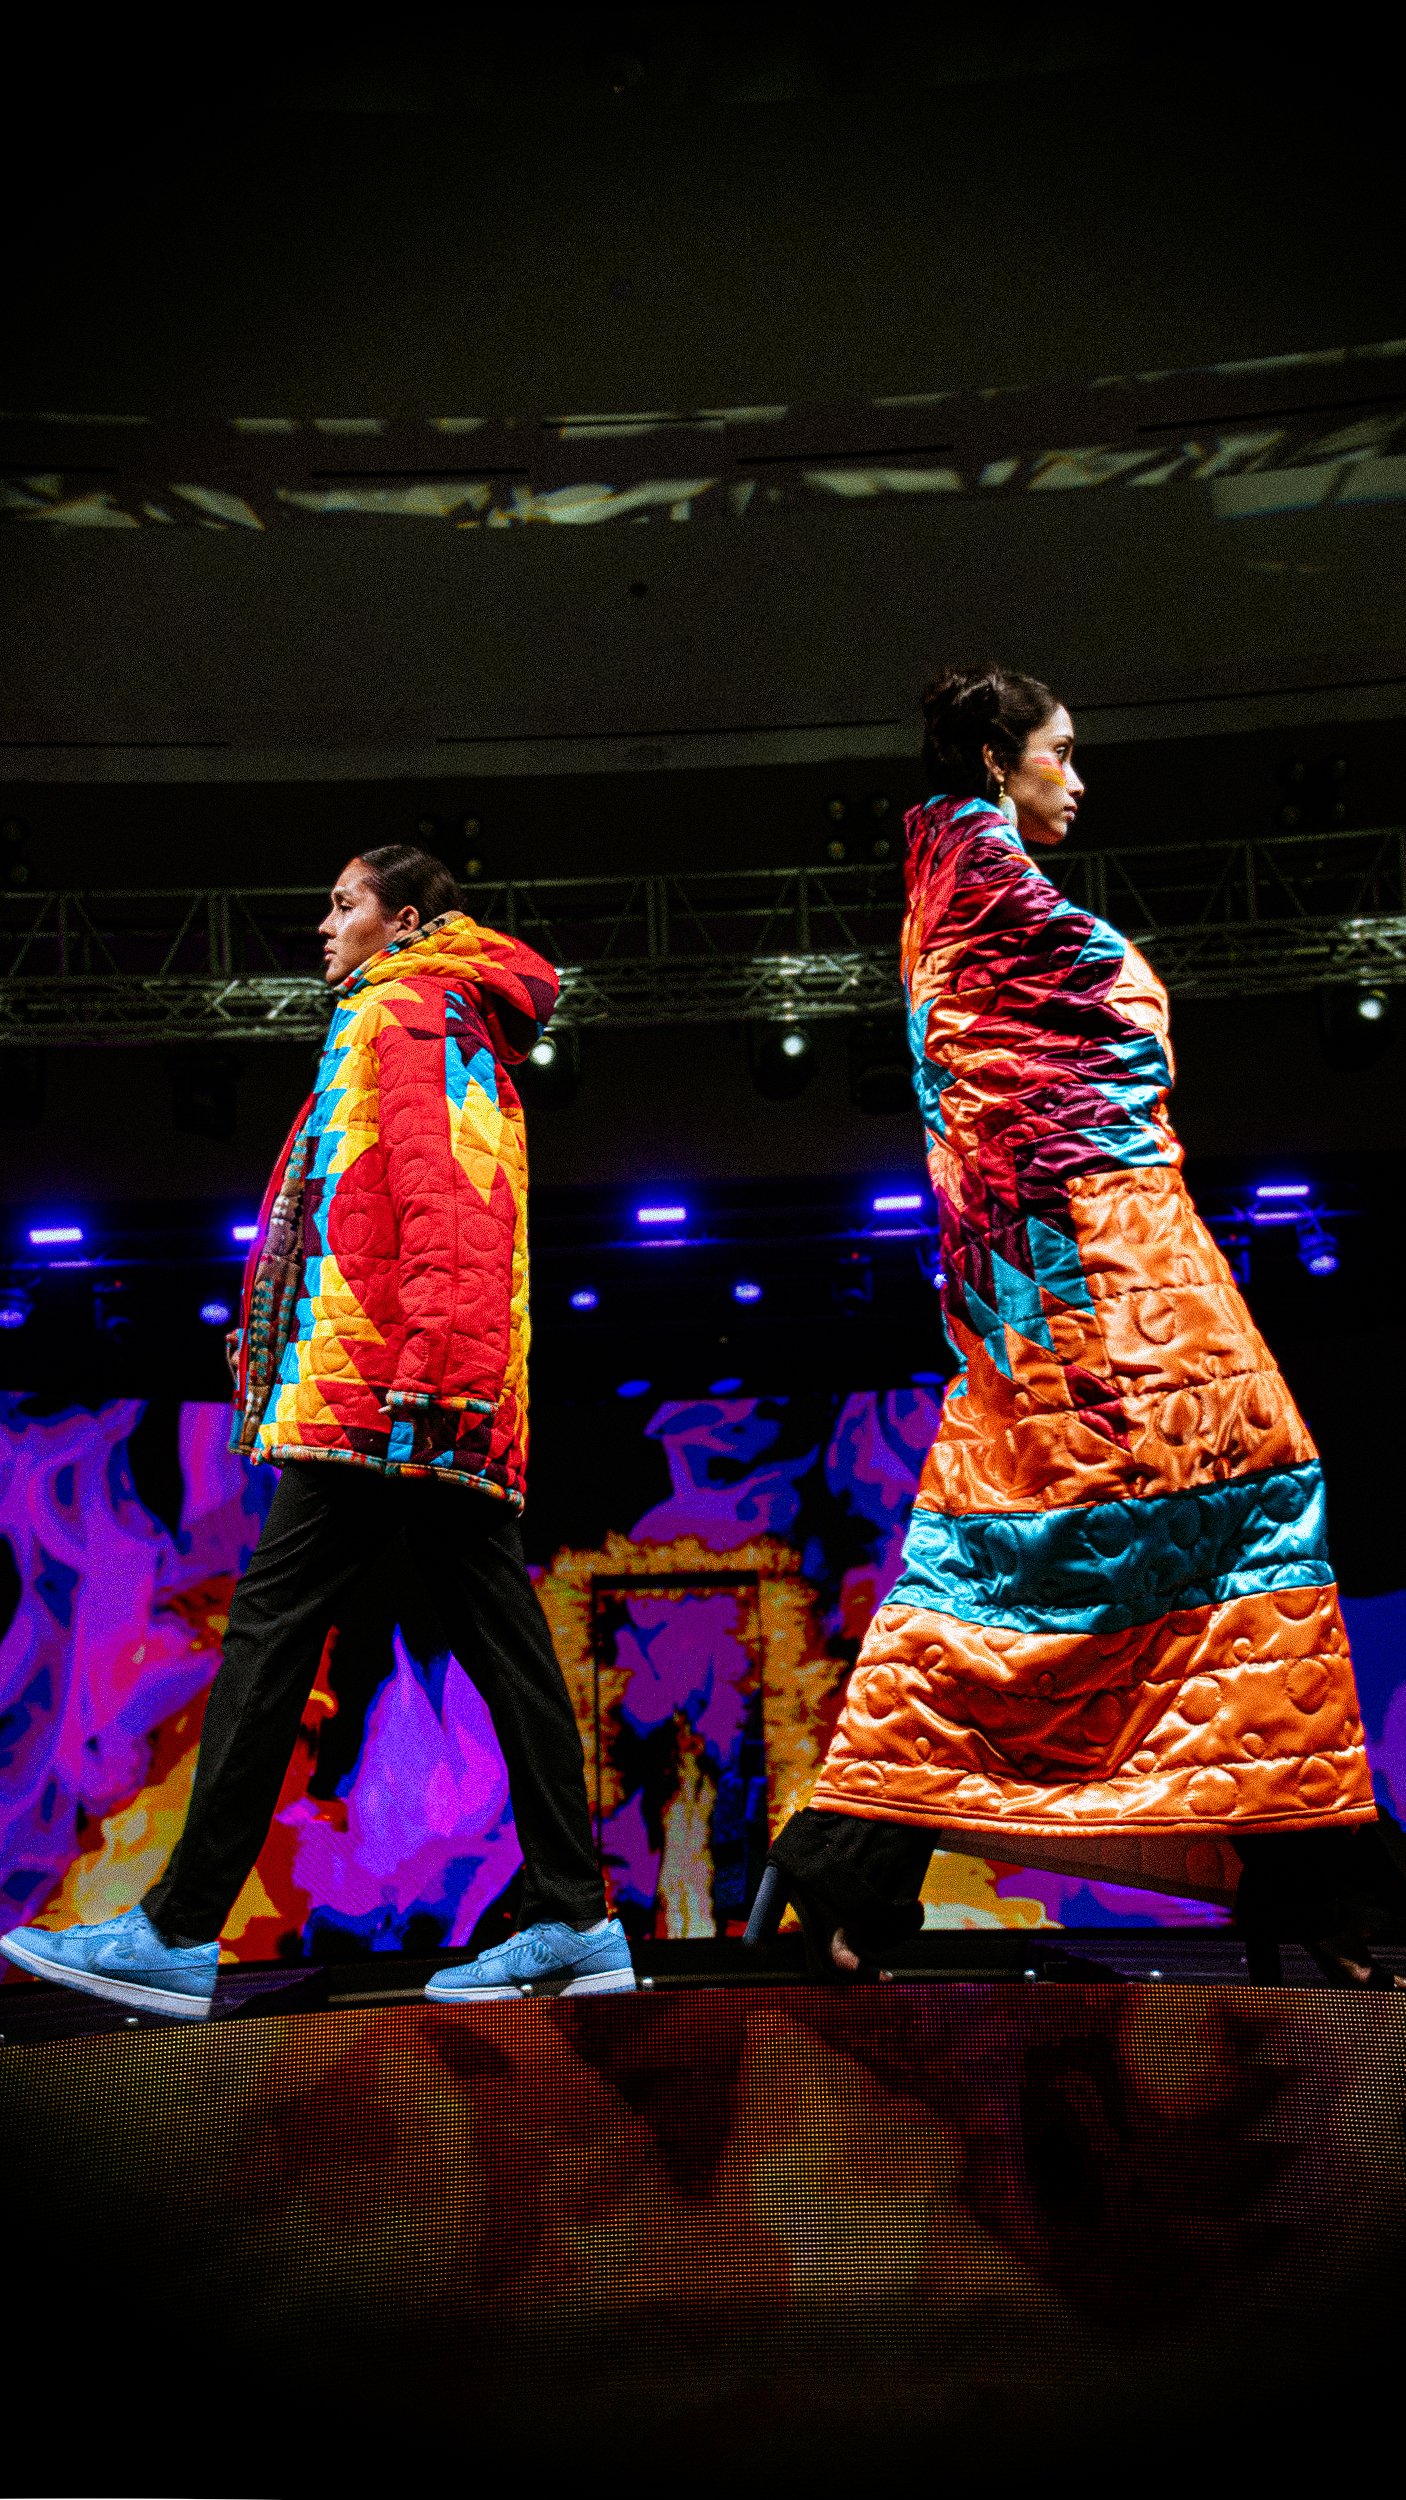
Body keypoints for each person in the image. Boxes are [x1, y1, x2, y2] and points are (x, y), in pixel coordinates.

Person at [749, 665, 1406, 1986]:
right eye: (1061, 752)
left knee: (1044, 1550)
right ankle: (1323, 1888)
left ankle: (844, 1871)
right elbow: (1052, 1052)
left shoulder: (960, 884)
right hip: (1088, 1256)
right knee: (1234, 1497)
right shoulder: (981, 890)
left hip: (1060, 1260)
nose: (1079, 777)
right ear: (998, 759)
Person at [1, 846, 633, 2018]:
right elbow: (378, 1202)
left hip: (386, 1401)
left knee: (272, 1632)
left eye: (342, 904)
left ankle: (179, 1932)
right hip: (402, 1389)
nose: (322, 925)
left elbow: (451, 1196)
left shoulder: (405, 1007)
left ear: (401, 919)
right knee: (499, 1643)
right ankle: (575, 1914)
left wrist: (435, 1375)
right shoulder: (434, 1009)